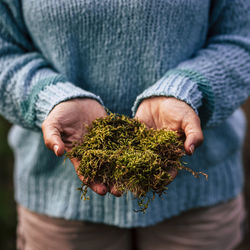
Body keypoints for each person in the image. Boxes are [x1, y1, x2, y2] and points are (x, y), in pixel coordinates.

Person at [0, 0, 249, 249]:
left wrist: (187, 90)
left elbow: (240, 38)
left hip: (198, 200)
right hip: (60, 204)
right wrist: (50, 98)